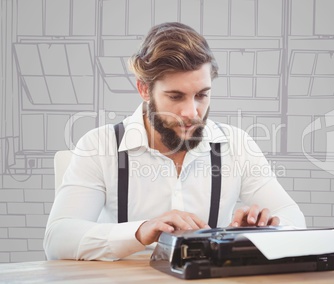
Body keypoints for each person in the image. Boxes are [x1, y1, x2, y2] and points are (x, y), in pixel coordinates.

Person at [44, 22, 305, 261]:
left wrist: (266, 230)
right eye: (176, 96)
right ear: (144, 90)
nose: (192, 112)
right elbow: (58, 239)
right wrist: (140, 231)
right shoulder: (99, 146)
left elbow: (294, 219)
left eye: (202, 95)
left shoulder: (237, 145)